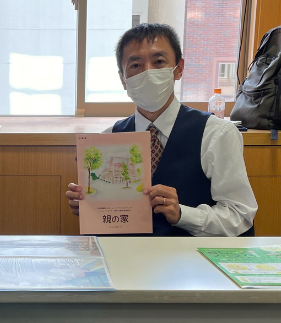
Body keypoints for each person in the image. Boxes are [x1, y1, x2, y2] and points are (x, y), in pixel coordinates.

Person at [67, 23, 257, 236]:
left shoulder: (216, 134)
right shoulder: (107, 139)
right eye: (136, 65)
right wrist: (88, 206)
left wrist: (183, 214)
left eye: (158, 62)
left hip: (189, 254)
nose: (148, 72)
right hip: (124, 253)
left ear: (179, 69)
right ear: (123, 79)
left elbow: (240, 214)